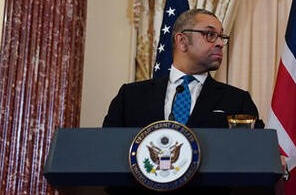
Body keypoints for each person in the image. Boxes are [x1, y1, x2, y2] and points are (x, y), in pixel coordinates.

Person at [103, 8, 259, 128]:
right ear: (182, 41)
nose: (219, 43)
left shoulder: (238, 101)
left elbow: (255, 153)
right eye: (210, 35)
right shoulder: (130, 97)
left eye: (221, 37)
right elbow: (106, 150)